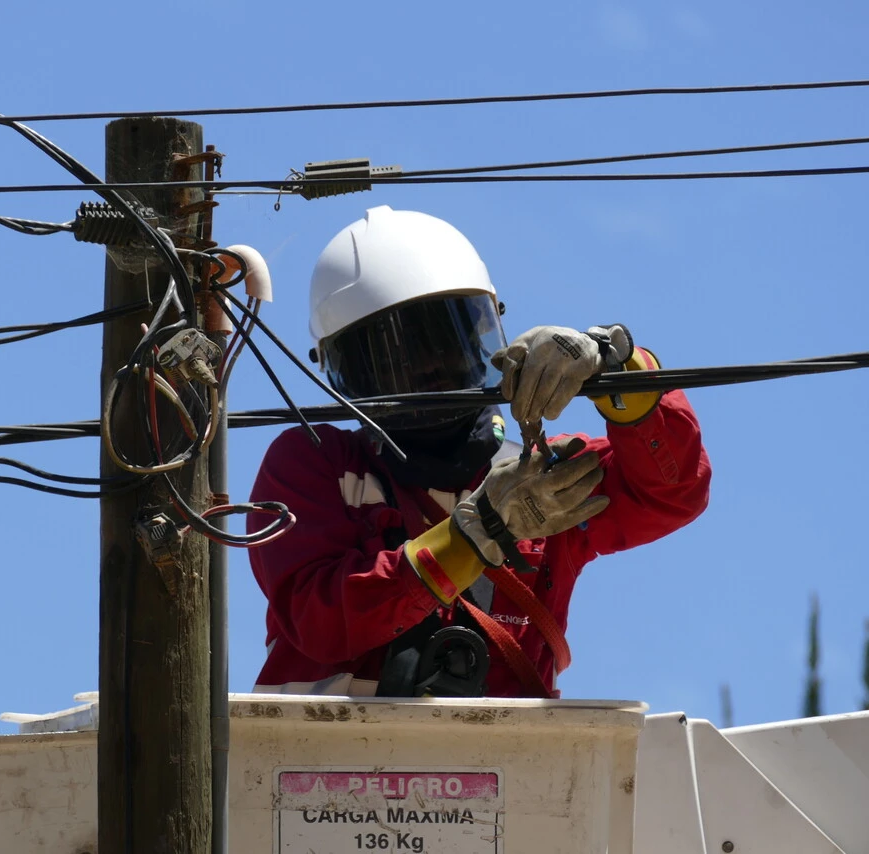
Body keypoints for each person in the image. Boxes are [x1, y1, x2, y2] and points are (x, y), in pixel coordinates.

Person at [247, 206, 711, 698]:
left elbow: (672, 491)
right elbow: (320, 619)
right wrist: (476, 534)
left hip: (506, 765)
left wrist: (618, 369)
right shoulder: (314, 463)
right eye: (396, 356)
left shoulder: (538, 475)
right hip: (322, 767)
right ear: (348, 376)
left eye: (445, 340)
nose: (430, 368)